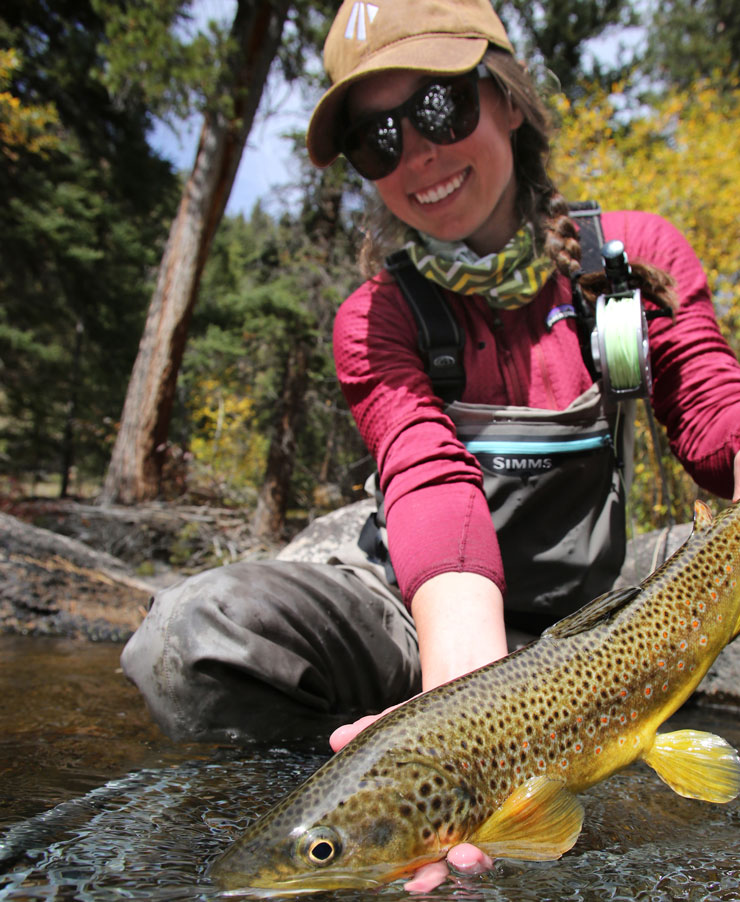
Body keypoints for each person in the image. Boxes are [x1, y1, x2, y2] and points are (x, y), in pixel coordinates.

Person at [120, 0, 740, 891]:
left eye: (440, 108)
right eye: (376, 140)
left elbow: (716, 420)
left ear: (511, 99)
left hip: (582, 607)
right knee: (191, 637)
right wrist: (461, 733)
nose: (416, 155)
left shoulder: (630, 259)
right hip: (419, 622)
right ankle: (334, 786)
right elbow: (431, 486)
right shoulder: (374, 318)